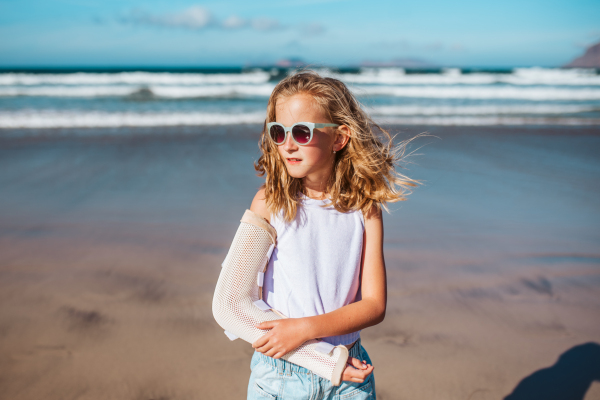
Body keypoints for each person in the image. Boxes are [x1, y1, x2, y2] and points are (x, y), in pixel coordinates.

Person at [246, 70, 419, 400]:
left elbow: (374, 305)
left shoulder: (365, 209)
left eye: (301, 131)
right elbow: (234, 303)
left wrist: (305, 329)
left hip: (347, 374)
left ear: (339, 138)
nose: (288, 144)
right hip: (280, 375)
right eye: (278, 132)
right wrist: (314, 356)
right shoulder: (269, 203)